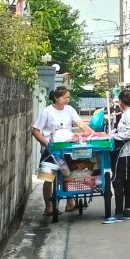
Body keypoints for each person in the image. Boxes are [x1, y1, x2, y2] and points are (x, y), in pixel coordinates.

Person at [32, 86, 93, 218]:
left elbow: (80, 124)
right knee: (48, 179)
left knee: (69, 175)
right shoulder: (47, 112)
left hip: (67, 149)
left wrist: (92, 133)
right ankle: (48, 207)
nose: (67, 100)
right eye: (64, 97)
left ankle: (70, 202)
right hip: (50, 151)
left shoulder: (70, 110)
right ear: (56, 98)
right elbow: (35, 130)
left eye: (68, 97)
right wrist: (46, 144)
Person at [108, 88, 130, 224]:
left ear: (121, 102)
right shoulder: (126, 114)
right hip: (124, 152)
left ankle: (119, 213)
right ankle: (127, 209)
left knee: (118, 181)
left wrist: (114, 136)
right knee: (126, 181)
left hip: (126, 152)